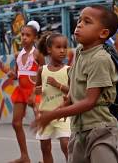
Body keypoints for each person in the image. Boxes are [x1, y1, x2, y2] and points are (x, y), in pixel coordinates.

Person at [32, 5, 118, 163]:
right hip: (78, 130)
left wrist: (53, 114)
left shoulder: (100, 58)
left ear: (103, 33)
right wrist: (59, 109)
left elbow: (89, 101)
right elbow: (75, 93)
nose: (79, 24)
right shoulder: (81, 52)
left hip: (99, 130)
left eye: (87, 22)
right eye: (79, 20)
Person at [8, 21, 45, 163]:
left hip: (34, 91)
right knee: (16, 123)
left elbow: (43, 73)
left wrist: (35, 93)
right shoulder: (18, 54)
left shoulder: (37, 54)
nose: (24, 38)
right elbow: (18, 74)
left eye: (28, 35)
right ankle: (24, 156)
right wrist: (12, 74)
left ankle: (45, 157)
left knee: (41, 123)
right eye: (22, 34)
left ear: (35, 38)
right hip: (21, 91)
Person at [35, 32, 70, 163]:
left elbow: (73, 91)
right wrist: (36, 91)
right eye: (58, 47)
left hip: (63, 114)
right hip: (45, 114)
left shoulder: (68, 70)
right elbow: (37, 90)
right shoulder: (42, 70)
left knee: (66, 145)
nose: (62, 51)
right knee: (45, 147)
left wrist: (58, 85)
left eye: (65, 47)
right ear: (49, 49)